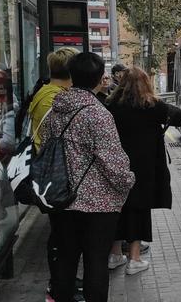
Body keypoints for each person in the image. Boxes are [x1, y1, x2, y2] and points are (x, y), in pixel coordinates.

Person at [40, 52, 135, 302]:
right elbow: (113, 162)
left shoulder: (55, 110)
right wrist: (128, 182)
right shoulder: (98, 114)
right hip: (97, 206)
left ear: (71, 76)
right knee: (95, 263)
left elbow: (46, 149)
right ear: (97, 79)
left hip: (60, 198)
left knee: (66, 260)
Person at [106, 67, 181, 275]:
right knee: (139, 208)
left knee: (117, 207)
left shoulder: (111, 105)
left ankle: (115, 255)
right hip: (145, 167)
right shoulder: (153, 105)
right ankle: (134, 259)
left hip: (117, 164)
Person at [26, 47, 78, 302]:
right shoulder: (53, 98)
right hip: (54, 175)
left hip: (53, 172)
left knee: (63, 232)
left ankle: (61, 283)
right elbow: (55, 139)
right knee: (62, 234)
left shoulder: (48, 92)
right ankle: (57, 288)